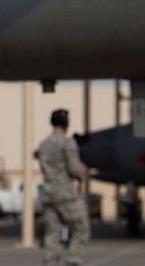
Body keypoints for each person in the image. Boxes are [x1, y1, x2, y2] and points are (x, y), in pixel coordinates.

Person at [37, 108, 90, 266]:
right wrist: (82, 170)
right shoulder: (67, 143)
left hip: (48, 194)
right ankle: (73, 261)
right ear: (66, 123)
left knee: (53, 233)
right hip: (65, 194)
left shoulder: (44, 144)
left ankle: (50, 262)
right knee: (81, 229)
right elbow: (74, 170)